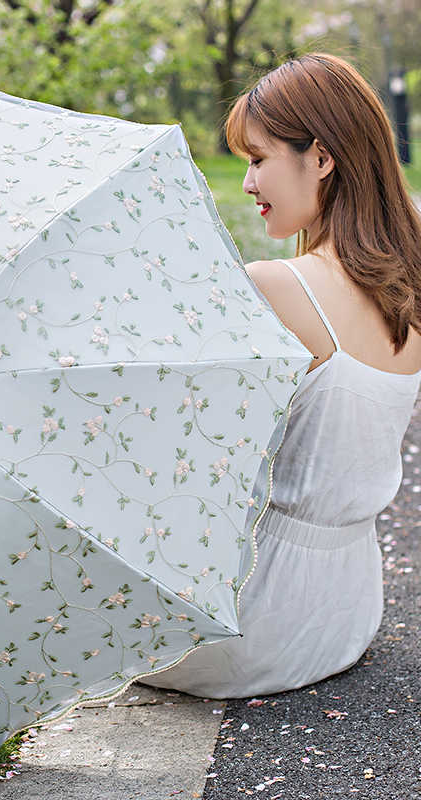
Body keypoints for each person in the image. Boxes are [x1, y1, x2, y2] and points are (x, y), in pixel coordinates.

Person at [136, 51, 421, 698]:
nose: (247, 184)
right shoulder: (407, 283)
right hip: (346, 613)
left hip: (255, 623)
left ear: (320, 158)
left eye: (257, 159)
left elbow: (195, 455)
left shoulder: (278, 287)